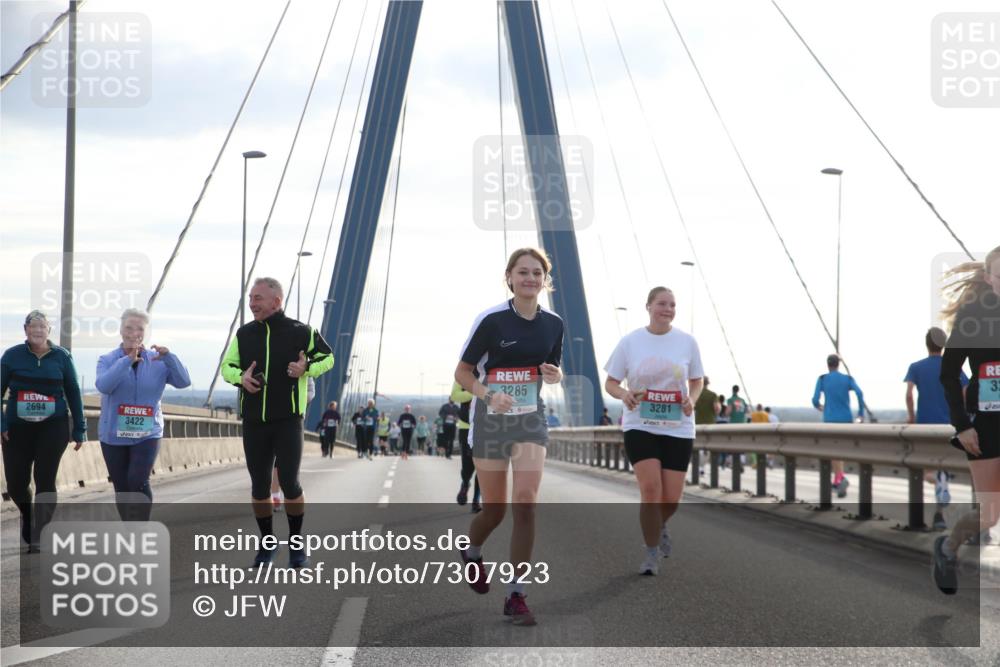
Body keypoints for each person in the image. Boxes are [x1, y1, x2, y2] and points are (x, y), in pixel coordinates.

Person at [455, 247, 563, 626]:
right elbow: (463, 372)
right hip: (491, 420)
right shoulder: (492, 320)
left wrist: (555, 376)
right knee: (496, 510)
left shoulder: (554, 323)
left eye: (537, 273)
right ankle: (472, 551)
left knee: (526, 503)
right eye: (523, 272)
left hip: (531, 419)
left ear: (545, 280)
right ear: (510, 277)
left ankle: (516, 593)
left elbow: (550, 368)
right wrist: (488, 395)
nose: (530, 279)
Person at [221, 277, 334, 568]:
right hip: (255, 421)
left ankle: (297, 545)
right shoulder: (244, 334)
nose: (252, 303)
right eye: (250, 297)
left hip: (288, 421)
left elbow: (329, 358)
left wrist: (307, 368)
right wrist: (241, 378)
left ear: (276, 301)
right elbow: (227, 367)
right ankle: (267, 545)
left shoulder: (302, 331)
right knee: (259, 486)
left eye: (258, 298)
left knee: (289, 483)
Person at [605, 286, 703, 577]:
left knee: (671, 498)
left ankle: (659, 526)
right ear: (648, 306)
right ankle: (650, 553)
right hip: (640, 423)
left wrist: (692, 400)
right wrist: (624, 394)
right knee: (651, 490)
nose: (668, 309)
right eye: (662, 303)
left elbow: (696, 381)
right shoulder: (630, 342)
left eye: (672, 305)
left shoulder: (687, 342)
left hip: (678, 426)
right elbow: (610, 382)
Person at [933, 246, 1000, 595]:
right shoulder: (973, 316)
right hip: (985, 426)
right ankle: (947, 548)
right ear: (989, 279)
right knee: (989, 517)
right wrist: (962, 426)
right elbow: (948, 374)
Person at [1, 311, 86, 552]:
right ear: (25, 329)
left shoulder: (61, 357)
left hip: (53, 426)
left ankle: (40, 532)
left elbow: (73, 391)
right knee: (16, 483)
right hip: (17, 428)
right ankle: (29, 516)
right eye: (33, 326)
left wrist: (79, 428)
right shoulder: (12, 356)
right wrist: (2, 424)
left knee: (45, 479)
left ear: (49, 330)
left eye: (42, 326)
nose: (38, 330)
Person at [96, 308, 191, 522]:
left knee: (138, 480)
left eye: (140, 328)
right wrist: (127, 360)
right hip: (113, 434)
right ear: (121, 330)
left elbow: (184, 382)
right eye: (129, 327)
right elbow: (104, 385)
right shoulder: (108, 359)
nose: (134, 332)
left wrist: (170, 357)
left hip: (148, 433)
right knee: (122, 487)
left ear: (146, 333)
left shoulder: (158, 360)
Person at [906, 327, 969, 530]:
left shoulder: (916, 367)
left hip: (924, 424)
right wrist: (963, 414)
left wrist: (911, 416)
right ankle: (939, 516)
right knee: (943, 466)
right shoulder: (954, 367)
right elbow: (966, 391)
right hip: (949, 423)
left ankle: (938, 490)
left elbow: (909, 394)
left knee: (926, 470)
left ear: (927, 344)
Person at [812, 353, 865, 498]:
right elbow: (860, 393)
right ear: (838, 364)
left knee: (833, 451)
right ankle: (838, 480)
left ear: (827, 364)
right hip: (846, 419)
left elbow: (815, 399)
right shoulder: (847, 379)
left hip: (830, 420)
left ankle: (840, 479)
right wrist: (860, 414)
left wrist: (821, 407)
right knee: (839, 451)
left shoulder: (822, 379)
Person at [452, 381, 482, 513]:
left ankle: (476, 501)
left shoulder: (490, 372)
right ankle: (465, 483)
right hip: (466, 427)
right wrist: (476, 391)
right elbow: (455, 396)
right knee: (467, 467)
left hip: (485, 428)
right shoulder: (464, 374)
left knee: (482, 468)